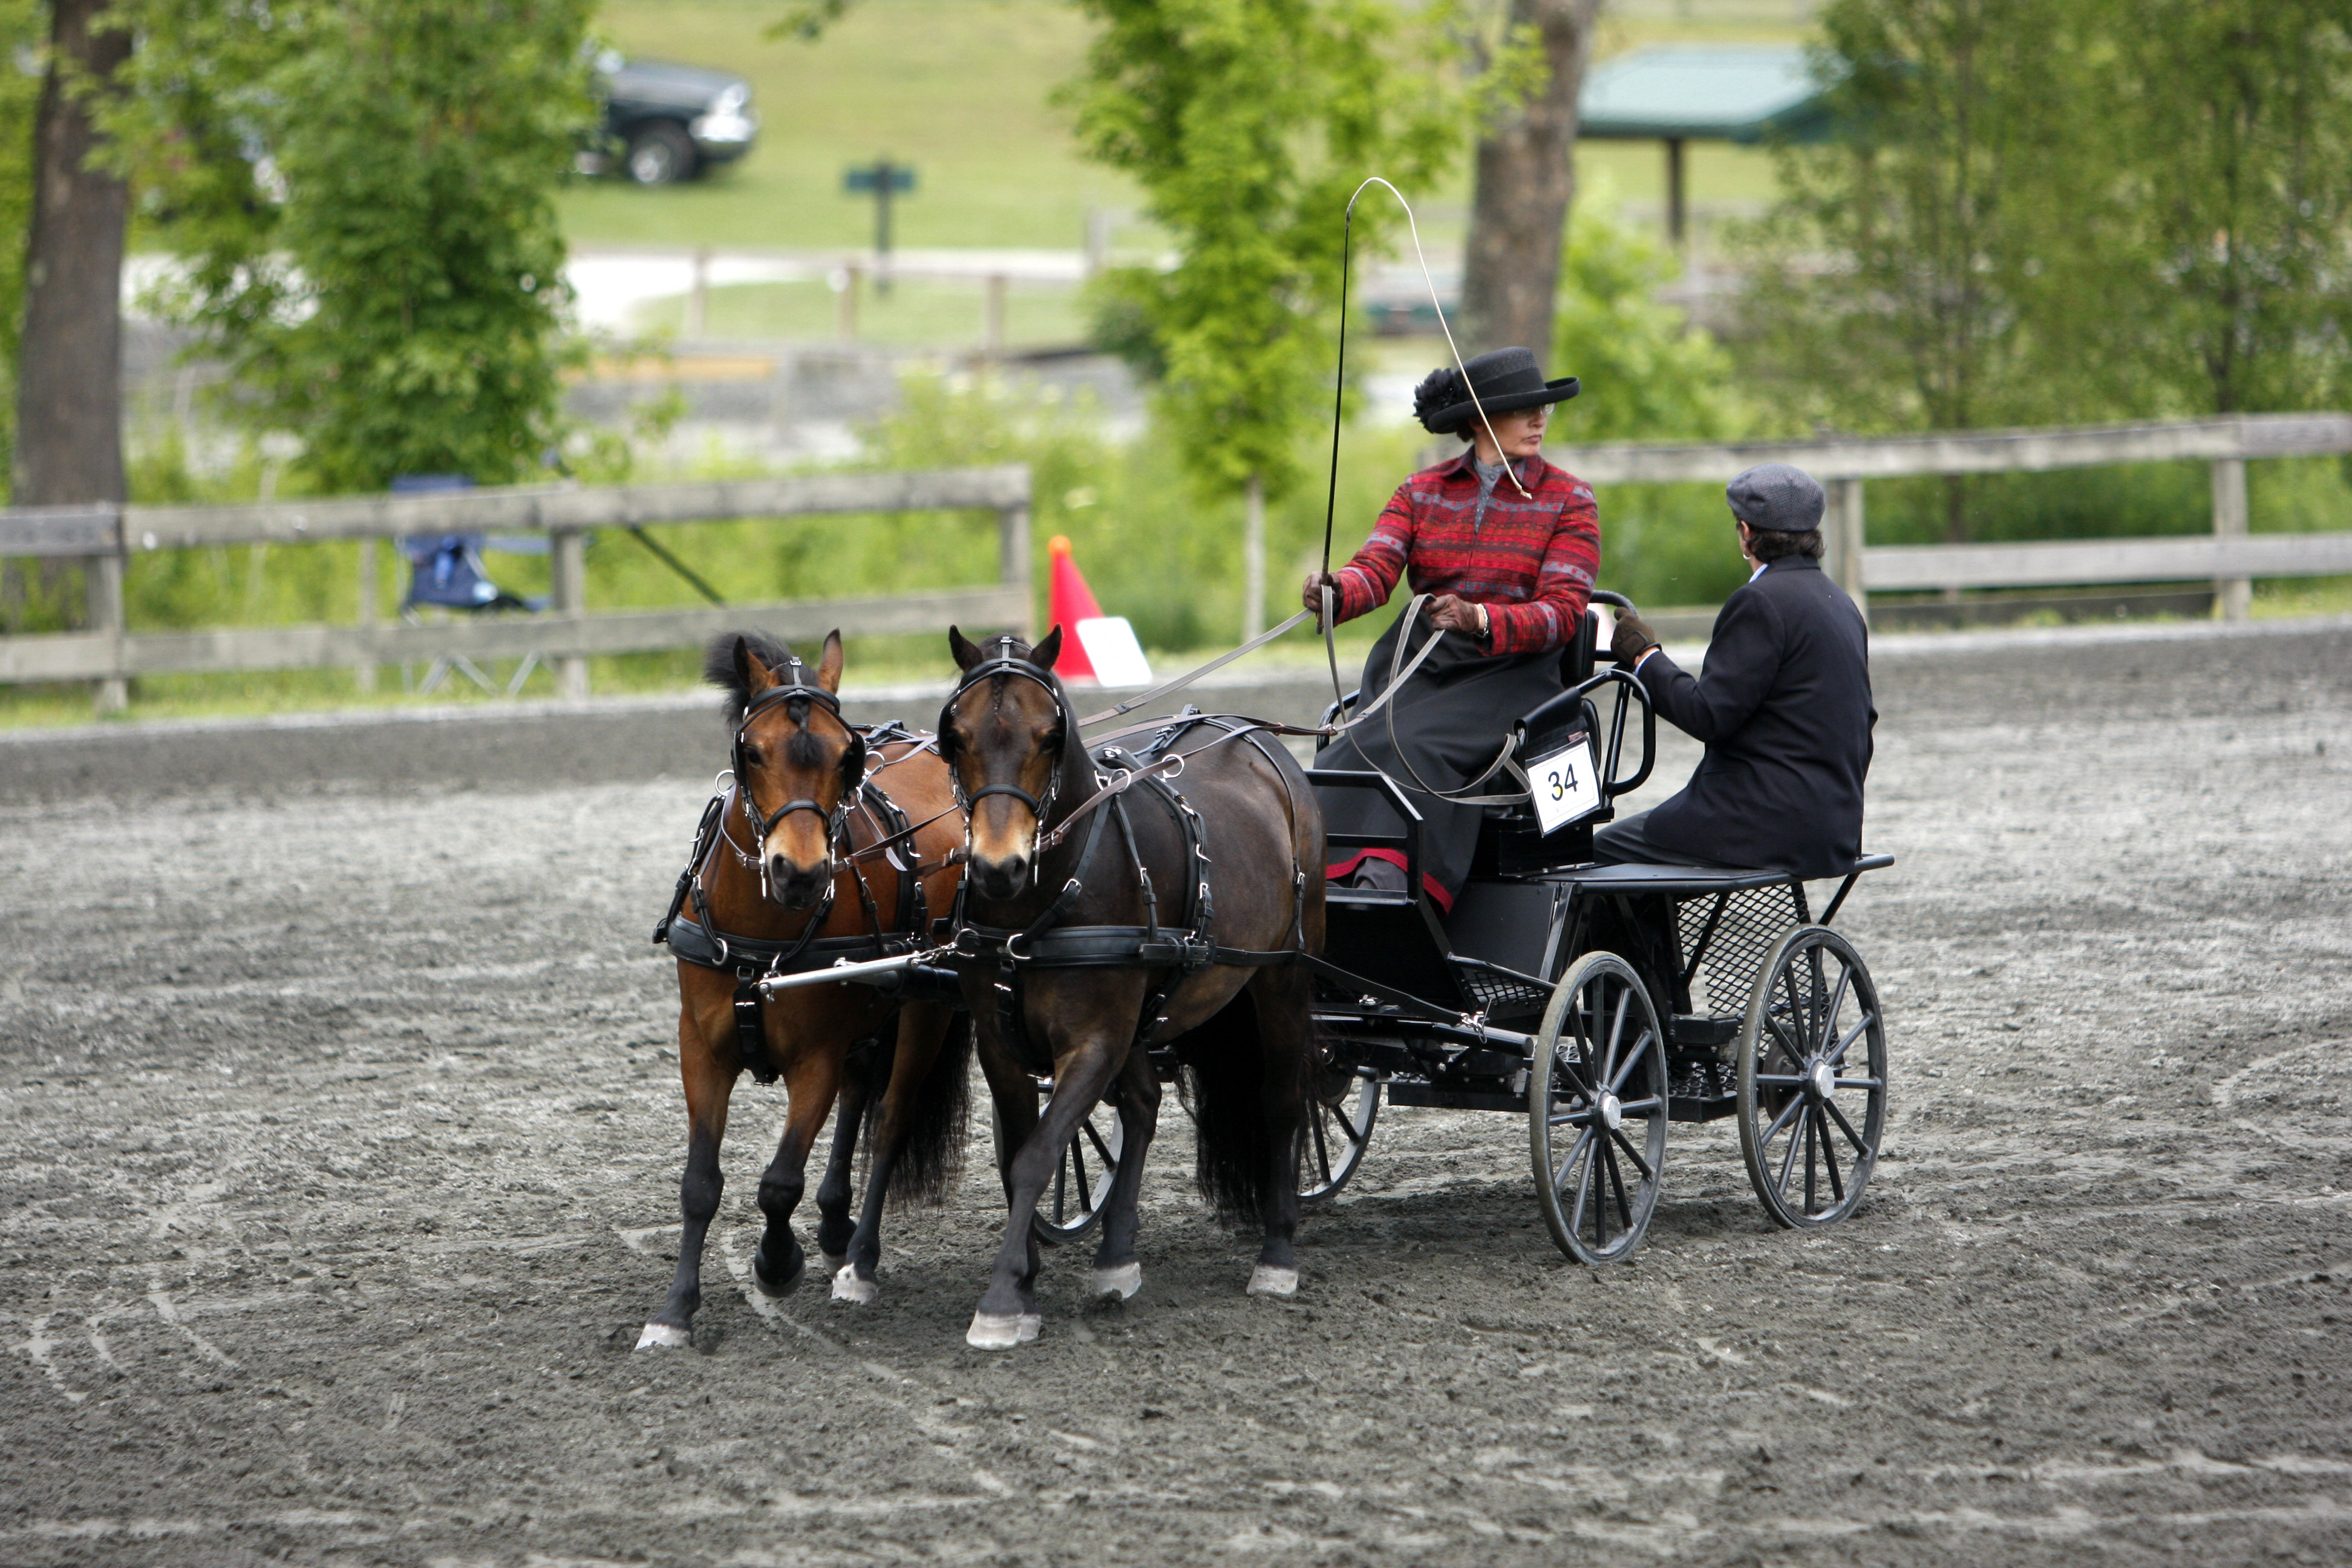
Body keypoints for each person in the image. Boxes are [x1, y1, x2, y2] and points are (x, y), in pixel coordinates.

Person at [1303, 346, 1599, 909]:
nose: (1540, 420)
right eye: (1523, 410)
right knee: (1347, 750)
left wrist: (1481, 617)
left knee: (1417, 747)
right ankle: (1329, 882)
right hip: (1421, 667)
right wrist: (1336, 592)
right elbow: (1377, 569)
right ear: (1478, 420)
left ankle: (1395, 888)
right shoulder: (1422, 491)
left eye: (1544, 410)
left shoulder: (1570, 500)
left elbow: (1563, 612)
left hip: (1514, 676)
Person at [1597, 462, 1875, 879]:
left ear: (1746, 533)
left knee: (1594, 854)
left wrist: (1645, 657)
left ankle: (1635, 947)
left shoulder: (1760, 601)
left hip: (1756, 827)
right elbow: (1864, 720)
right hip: (1833, 829)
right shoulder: (1841, 603)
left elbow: (1708, 715)